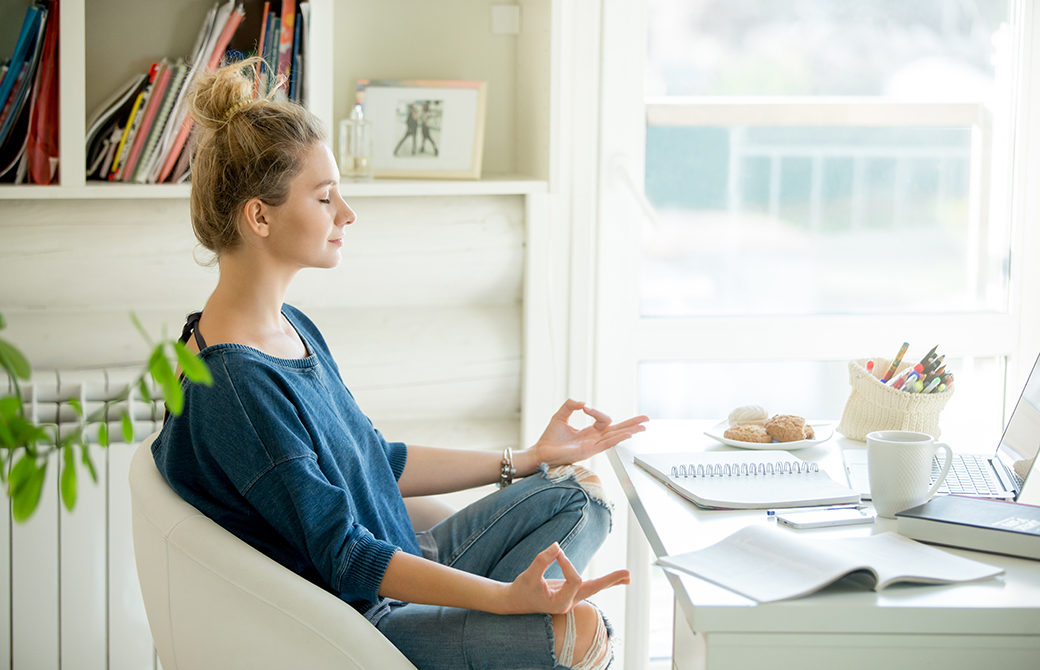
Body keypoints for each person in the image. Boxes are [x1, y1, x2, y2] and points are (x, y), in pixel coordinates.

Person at [152, 57, 648, 670]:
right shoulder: (237, 384)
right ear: (260, 216)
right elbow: (344, 556)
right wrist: (501, 598)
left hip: (405, 551)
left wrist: (527, 460)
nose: (347, 215)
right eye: (326, 197)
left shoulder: (288, 327)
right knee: (580, 631)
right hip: (363, 619)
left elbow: (377, 461)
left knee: (580, 493)